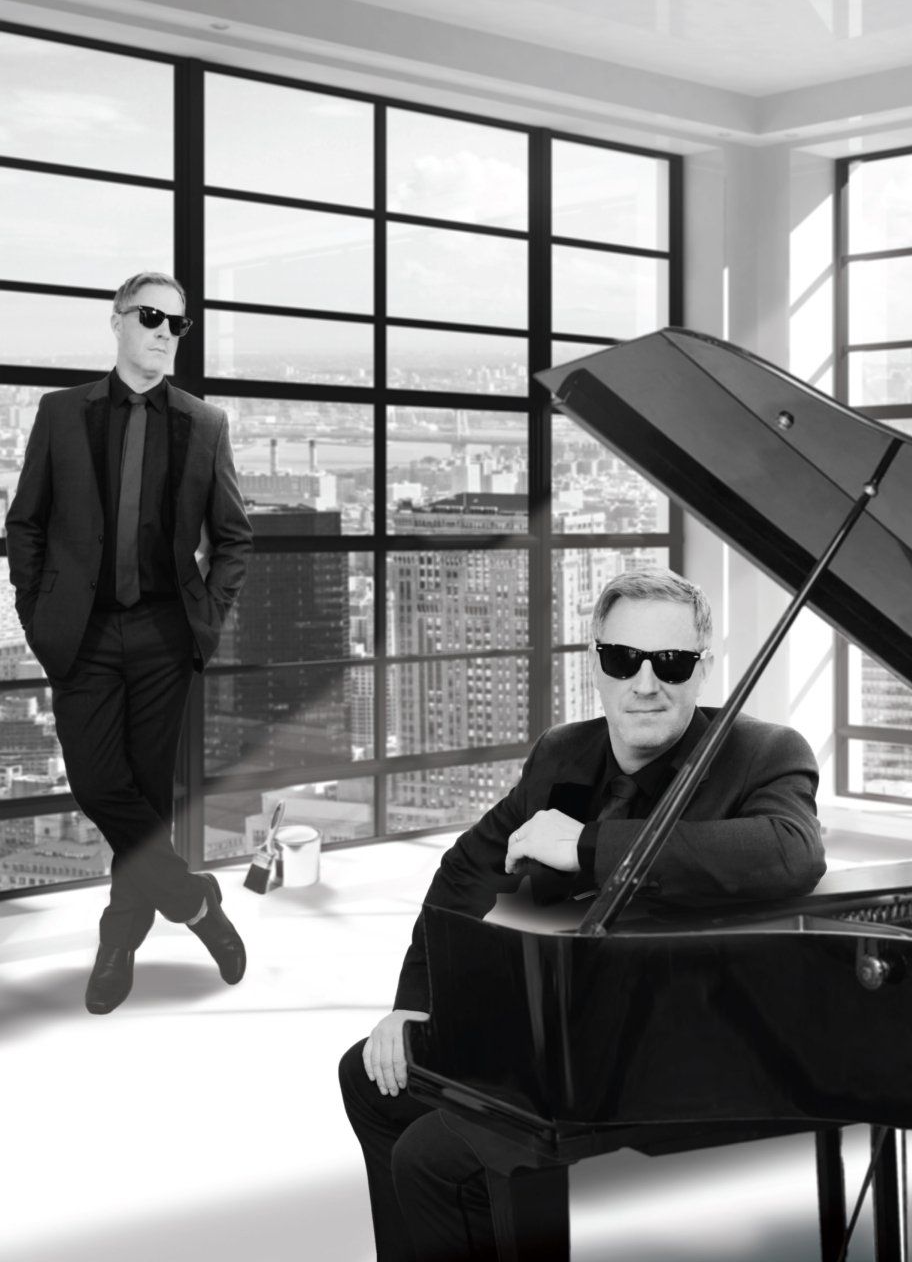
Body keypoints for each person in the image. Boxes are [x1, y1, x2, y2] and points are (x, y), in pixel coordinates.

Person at [338, 567, 826, 1261]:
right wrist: (416, 1004)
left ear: (703, 666)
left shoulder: (762, 753)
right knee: (369, 1078)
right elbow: (466, 873)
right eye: (624, 659)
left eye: (671, 662)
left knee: (430, 1155)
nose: (645, 684)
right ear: (596, 662)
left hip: (673, 1047)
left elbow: (791, 851)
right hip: (557, 1031)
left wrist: (589, 846)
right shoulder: (563, 752)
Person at [6, 270, 252, 1015]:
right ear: (116, 321)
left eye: (178, 324)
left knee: (144, 798)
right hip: (79, 634)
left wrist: (206, 618)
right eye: (151, 317)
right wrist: (36, 613)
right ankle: (196, 903)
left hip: (163, 635)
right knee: (97, 784)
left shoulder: (205, 424)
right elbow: (26, 523)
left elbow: (233, 538)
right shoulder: (60, 413)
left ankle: (117, 942)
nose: (166, 333)